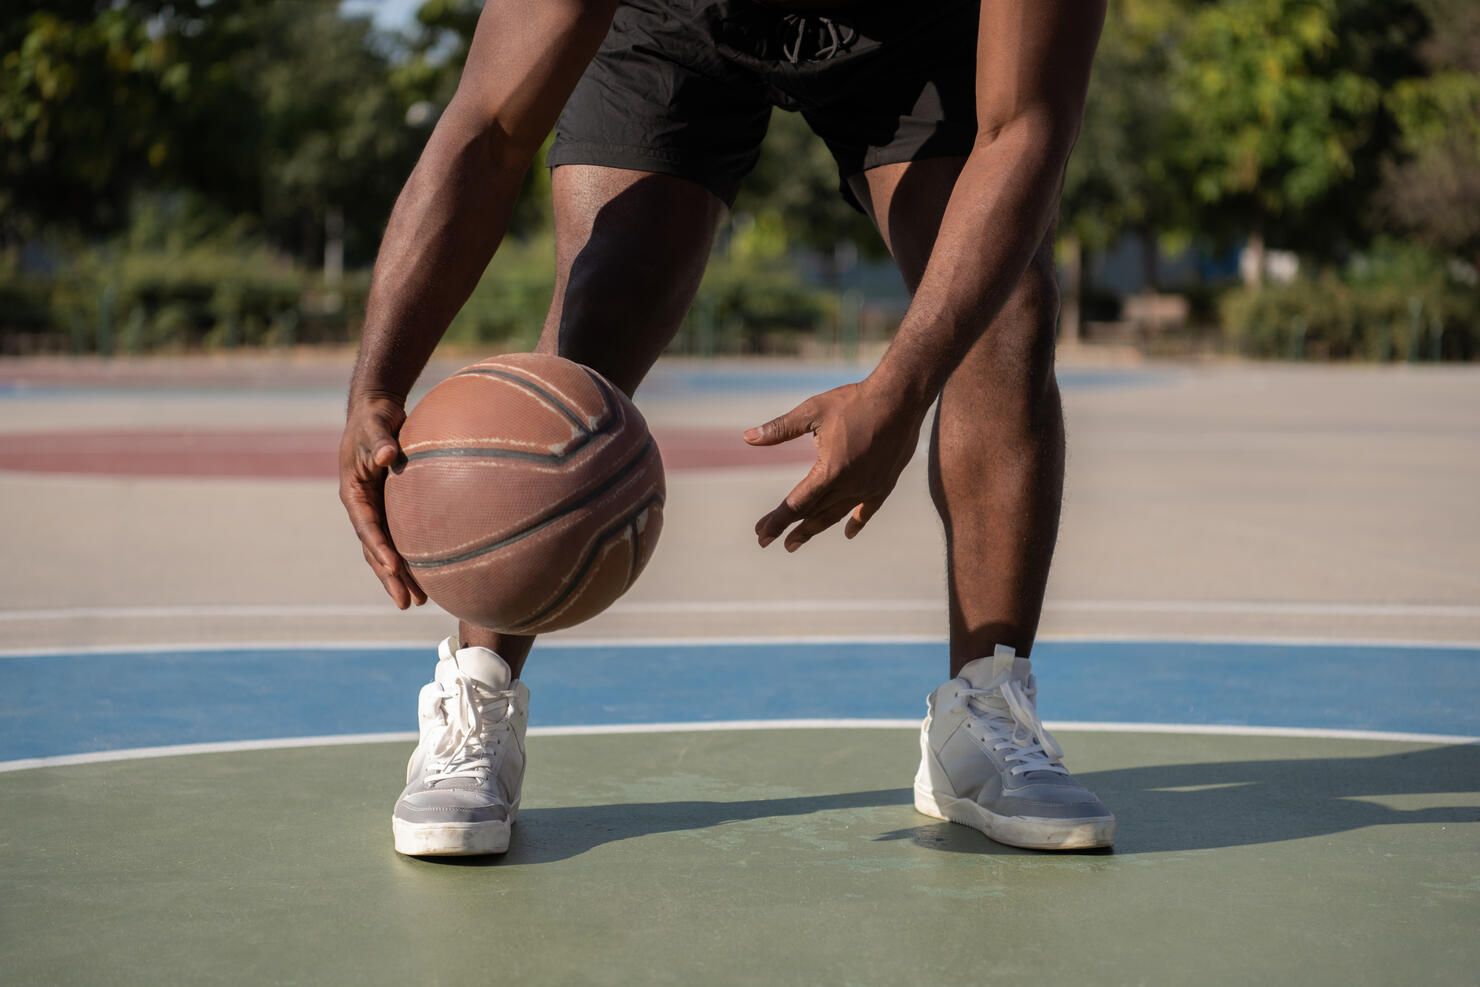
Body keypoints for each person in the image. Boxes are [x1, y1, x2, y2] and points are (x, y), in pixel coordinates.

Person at [339, 0, 1114, 856]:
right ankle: (477, 696)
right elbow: (487, 128)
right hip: (676, 18)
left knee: (1007, 310)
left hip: (917, 37)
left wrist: (902, 389)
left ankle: (986, 706)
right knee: (607, 297)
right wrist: (376, 382)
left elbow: (1026, 129)